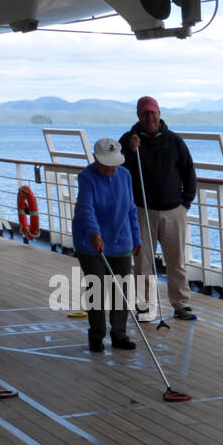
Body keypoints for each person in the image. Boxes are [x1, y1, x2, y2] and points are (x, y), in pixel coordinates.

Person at [120, 96, 198, 320]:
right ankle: (145, 305)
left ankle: (181, 304)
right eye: (145, 113)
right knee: (143, 261)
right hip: (142, 210)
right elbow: (121, 172)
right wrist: (131, 152)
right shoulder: (128, 140)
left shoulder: (174, 141)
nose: (150, 116)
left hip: (174, 210)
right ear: (139, 116)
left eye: (153, 112)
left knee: (176, 260)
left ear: (159, 113)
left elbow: (189, 172)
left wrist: (186, 203)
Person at [72, 139, 140, 353]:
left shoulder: (125, 176)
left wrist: (136, 237)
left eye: (113, 164)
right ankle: (96, 335)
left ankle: (119, 334)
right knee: (97, 288)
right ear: (95, 159)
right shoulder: (87, 177)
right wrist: (95, 233)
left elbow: (130, 209)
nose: (110, 169)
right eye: (105, 164)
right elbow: (86, 209)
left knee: (121, 290)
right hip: (90, 242)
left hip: (121, 239)